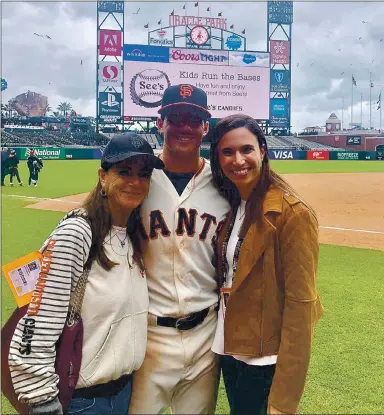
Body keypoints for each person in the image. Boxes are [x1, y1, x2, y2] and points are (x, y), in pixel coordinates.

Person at [9, 133, 164, 415]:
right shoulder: (78, 233)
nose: (135, 181)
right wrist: (41, 398)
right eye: (124, 171)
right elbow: (39, 318)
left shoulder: (130, 236)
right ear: (103, 176)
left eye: (143, 174)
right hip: (83, 400)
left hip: (123, 393)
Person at [209, 114, 324, 415]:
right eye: (227, 152)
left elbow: (301, 306)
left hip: (265, 363)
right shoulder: (236, 203)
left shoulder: (292, 214)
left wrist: (284, 400)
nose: (238, 159)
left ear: (262, 150)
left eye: (246, 149)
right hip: (232, 352)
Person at [129, 85, 230, 414]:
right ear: (161, 123)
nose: (184, 127)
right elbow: (98, 222)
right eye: (175, 118)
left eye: (193, 119)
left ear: (205, 127)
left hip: (206, 335)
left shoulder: (225, 184)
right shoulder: (137, 179)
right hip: (147, 337)